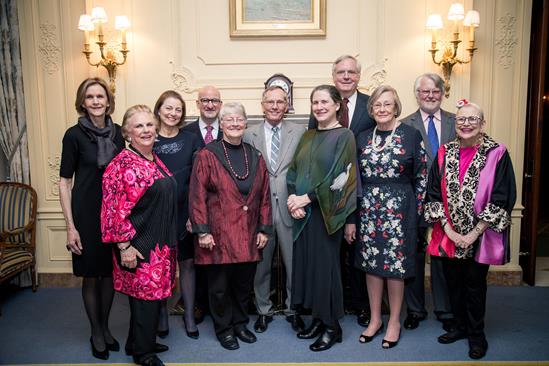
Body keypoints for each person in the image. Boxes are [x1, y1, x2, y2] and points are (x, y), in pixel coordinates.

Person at [424, 100, 516, 360]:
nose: (466, 124)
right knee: (453, 283)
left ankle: (477, 335)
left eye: (472, 119)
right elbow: (433, 194)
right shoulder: (444, 152)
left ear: (482, 123)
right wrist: (450, 231)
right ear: (456, 124)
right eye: (461, 119)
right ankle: (460, 327)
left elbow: (502, 196)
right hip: (449, 234)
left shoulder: (497, 153)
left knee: (474, 285)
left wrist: (473, 233)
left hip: (481, 235)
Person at [346, 85, 427, 349]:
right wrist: (353, 216)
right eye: (377, 105)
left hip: (400, 211)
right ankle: (375, 320)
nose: (382, 109)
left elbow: (422, 177)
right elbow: (353, 179)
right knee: (371, 266)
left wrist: (417, 216)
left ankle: (394, 321)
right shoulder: (361, 138)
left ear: (396, 107)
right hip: (368, 210)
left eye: (387, 104)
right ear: (371, 110)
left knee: (395, 268)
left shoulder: (411, 135)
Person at [189, 102, 272, 351]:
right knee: (219, 288)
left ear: (245, 123)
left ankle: (239, 324)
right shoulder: (208, 155)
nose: (235, 123)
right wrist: (202, 230)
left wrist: (264, 229)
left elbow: (265, 196)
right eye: (229, 120)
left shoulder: (254, 155)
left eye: (239, 119)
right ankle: (224, 329)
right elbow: (196, 195)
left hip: (248, 234)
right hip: (218, 235)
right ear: (221, 124)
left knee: (242, 285)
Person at [101, 105, 177, 366]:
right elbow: (112, 212)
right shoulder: (121, 164)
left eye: (149, 125)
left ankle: (137, 342)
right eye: (139, 126)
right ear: (127, 132)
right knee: (144, 299)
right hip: (138, 244)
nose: (146, 130)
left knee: (151, 298)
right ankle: (143, 354)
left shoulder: (151, 158)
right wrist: (124, 247)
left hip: (158, 242)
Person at [288, 85, 357, 352]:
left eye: (324, 102)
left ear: (337, 104)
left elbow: (342, 177)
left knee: (326, 270)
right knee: (308, 268)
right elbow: (293, 171)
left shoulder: (344, 136)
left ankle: (332, 327)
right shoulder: (307, 136)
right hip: (303, 215)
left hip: (327, 215)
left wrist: (306, 199)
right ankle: (318, 318)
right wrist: (294, 200)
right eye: (315, 102)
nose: (319, 107)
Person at [59, 77, 125, 360]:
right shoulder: (73, 135)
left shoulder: (120, 133)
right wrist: (70, 226)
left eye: (100, 96)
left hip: (115, 213)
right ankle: (96, 331)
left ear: (108, 101)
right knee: (91, 274)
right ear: (83, 102)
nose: (96, 101)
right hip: (85, 213)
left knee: (109, 272)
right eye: (90, 97)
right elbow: (64, 181)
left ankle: (106, 327)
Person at [309, 55, 374, 326]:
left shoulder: (371, 104)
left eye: (351, 72)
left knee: (357, 248)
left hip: (362, 187)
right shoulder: (322, 105)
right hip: (328, 192)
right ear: (333, 75)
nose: (346, 76)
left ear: (358, 75)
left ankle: (360, 304)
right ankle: (335, 303)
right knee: (332, 252)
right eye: (340, 72)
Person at [243, 86, 306, 334]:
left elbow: (304, 169)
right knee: (262, 263)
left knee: (294, 263)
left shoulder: (300, 132)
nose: (275, 106)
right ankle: (263, 310)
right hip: (261, 209)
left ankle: (293, 309)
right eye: (270, 101)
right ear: (262, 104)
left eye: (281, 102)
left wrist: (301, 198)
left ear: (287, 105)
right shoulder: (249, 134)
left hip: (291, 207)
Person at [401, 73, 455, 332]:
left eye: (435, 91)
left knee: (443, 257)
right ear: (417, 95)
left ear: (442, 93)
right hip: (415, 201)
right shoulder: (405, 125)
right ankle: (415, 310)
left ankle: (445, 310)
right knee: (414, 254)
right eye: (425, 92)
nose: (430, 96)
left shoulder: (458, 122)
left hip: (449, 203)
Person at [152, 90, 201, 339]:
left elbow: (198, 179)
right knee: (162, 266)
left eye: (178, 109)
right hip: (156, 214)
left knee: (188, 264)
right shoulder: (148, 139)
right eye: (168, 108)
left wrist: (195, 214)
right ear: (159, 109)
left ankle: (189, 315)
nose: (173, 113)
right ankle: (161, 315)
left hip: (185, 211)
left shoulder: (192, 139)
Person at [181, 85, 223, 322]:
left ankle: (216, 305)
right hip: (192, 207)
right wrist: (192, 214)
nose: (209, 105)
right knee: (194, 259)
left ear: (220, 104)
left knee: (217, 258)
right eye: (205, 100)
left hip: (221, 209)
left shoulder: (229, 130)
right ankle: (196, 305)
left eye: (214, 101)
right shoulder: (185, 133)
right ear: (197, 103)